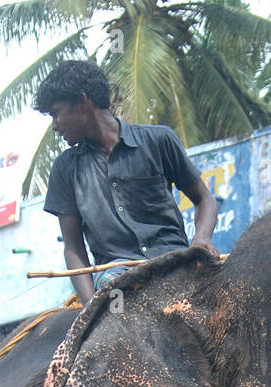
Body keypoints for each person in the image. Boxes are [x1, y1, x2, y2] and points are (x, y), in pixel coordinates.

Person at [35, 61, 218, 304]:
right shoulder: (65, 169)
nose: (55, 126)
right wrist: (91, 308)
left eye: (56, 113)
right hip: (116, 277)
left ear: (83, 101)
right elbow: (73, 248)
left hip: (176, 263)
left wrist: (201, 240)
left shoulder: (159, 140)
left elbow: (204, 199)